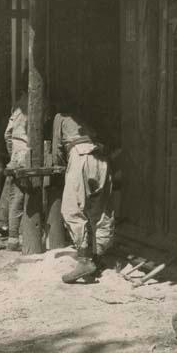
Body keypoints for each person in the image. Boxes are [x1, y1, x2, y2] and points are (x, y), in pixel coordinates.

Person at [52, 100, 115, 283]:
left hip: (80, 156)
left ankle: (84, 260)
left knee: (72, 209)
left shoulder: (60, 117)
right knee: (100, 210)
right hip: (101, 156)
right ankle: (98, 256)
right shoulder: (91, 112)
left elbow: (57, 150)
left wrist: (63, 167)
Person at [2, 75, 29, 251]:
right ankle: (25, 236)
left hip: (18, 153)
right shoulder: (39, 104)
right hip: (29, 152)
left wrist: (14, 154)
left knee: (16, 197)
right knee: (29, 197)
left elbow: (7, 135)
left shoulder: (17, 107)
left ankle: (13, 238)